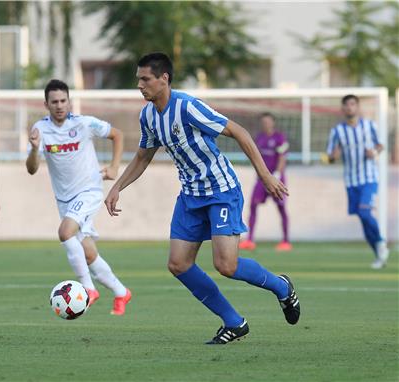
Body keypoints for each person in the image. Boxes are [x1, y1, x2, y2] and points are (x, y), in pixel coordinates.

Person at [105, 53, 300, 344]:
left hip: (220, 191)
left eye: (145, 79)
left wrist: (266, 175)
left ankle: (281, 286)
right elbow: (144, 156)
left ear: (164, 79)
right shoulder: (147, 116)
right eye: (138, 79)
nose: (140, 85)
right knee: (178, 264)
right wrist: (118, 186)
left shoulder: (187, 107)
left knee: (227, 266)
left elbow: (239, 132)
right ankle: (234, 322)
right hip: (190, 197)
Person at [26, 79, 132, 315]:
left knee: (65, 232)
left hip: (89, 190)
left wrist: (115, 167)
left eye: (63, 101)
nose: (60, 105)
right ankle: (121, 292)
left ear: (69, 102)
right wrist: (34, 149)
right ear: (46, 104)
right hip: (64, 199)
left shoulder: (84, 124)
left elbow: (118, 134)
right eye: (54, 102)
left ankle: (87, 288)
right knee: (88, 253)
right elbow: (32, 169)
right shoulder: (40, 130)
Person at [326, 94, 389, 269]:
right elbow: (329, 155)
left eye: (353, 104)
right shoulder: (337, 131)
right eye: (346, 105)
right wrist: (333, 157)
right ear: (343, 108)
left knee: (364, 212)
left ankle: (381, 242)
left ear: (358, 107)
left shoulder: (370, 126)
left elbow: (381, 145)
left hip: (369, 178)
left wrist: (374, 153)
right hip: (350, 181)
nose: (349, 108)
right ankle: (379, 256)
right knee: (363, 218)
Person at [239, 112, 292, 251]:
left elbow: (282, 157)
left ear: (273, 122)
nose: (266, 124)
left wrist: (277, 174)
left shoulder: (279, 138)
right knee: (253, 205)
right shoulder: (259, 138)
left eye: (268, 121)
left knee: (281, 208)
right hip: (261, 180)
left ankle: (286, 241)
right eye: (264, 122)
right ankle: (249, 240)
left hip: (276, 179)